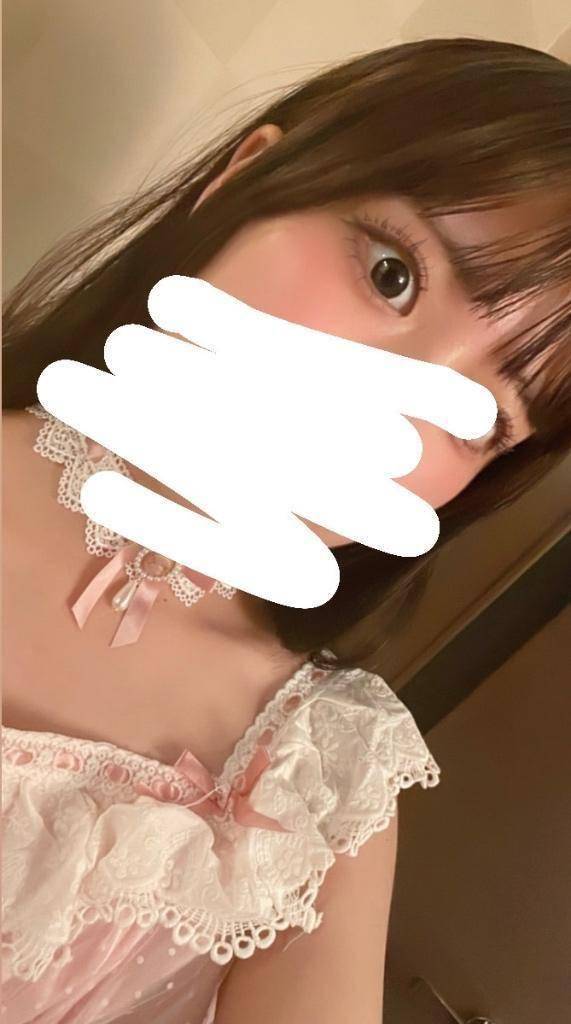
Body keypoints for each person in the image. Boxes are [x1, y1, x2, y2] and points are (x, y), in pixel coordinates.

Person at [2, 35, 570, 1024]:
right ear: (243, 177)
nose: (394, 413)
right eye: (392, 273)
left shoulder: (322, 783)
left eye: (481, 416)